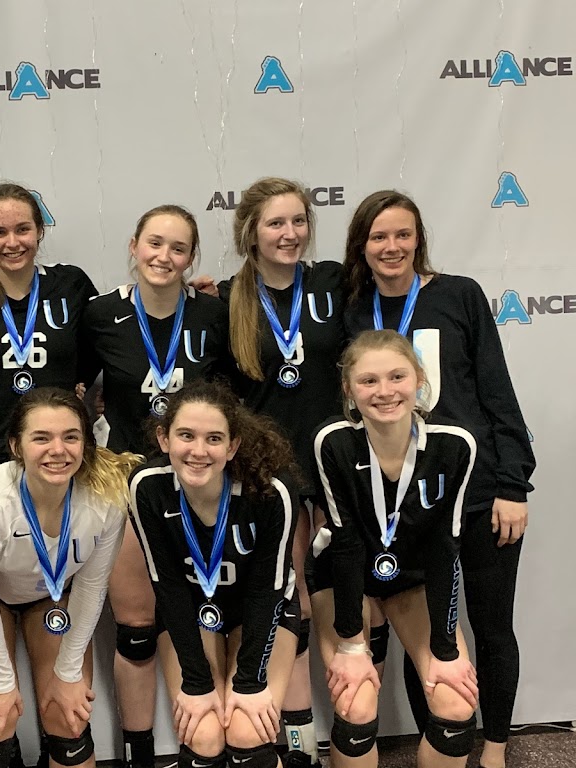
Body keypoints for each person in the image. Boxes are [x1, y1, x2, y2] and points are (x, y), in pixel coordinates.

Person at [341, 191, 534, 768]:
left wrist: (513, 485)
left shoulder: (459, 295)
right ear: (361, 246)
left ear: (418, 239)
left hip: (479, 495)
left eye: (403, 234)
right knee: (424, 634)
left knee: (492, 628)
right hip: (408, 503)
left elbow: (496, 390)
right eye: (379, 236)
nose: (392, 246)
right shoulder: (353, 309)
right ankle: (440, 745)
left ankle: (495, 749)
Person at [79, 204, 231, 768]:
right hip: (127, 482)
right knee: (137, 629)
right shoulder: (100, 314)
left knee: (205, 611)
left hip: (199, 480)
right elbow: (73, 391)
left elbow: (232, 397)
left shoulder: (213, 314)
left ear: (192, 258)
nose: (164, 256)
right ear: (134, 245)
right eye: (155, 243)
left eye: (179, 248)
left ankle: (208, 744)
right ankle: (139, 754)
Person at [215, 178, 345, 768]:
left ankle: (353, 730)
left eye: (298, 221)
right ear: (250, 232)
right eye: (275, 223)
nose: (289, 234)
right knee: (290, 602)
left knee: (347, 603)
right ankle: (298, 743)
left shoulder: (334, 283)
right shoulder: (225, 301)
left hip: (334, 467)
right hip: (270, 477)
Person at [310, 330, 479, 767]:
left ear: (419, 378)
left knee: (456, 704)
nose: (384, 391)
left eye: (397, 376)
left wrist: (445, 651)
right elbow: (346, 544)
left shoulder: (454, 444)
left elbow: (445, 548)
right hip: (344, 576)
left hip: (411, 579)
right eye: (368, 381)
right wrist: (352, 648)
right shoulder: (333, 442)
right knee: (356, 707)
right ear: (348, 389)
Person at [0, 387, 141, 768]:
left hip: (51, 594)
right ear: (16, 446)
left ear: (86, 443)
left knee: (68, 720)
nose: (58, 450)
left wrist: (68, 673)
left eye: (71, 437)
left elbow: (91, 586)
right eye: (41, 438)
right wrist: (1, 684)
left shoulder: (107, 498)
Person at [128, 380, 299, 768]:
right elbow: (167, 586)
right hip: (190, 611)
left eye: (214, 438)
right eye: (186, 435)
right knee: (204, 734)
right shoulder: (146, 487)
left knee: (247, 732)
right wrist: (197, 684)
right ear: (164, 438)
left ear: (233, 446)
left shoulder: (271, 490)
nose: (199, 451)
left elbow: (267, 590)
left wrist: (249, 683)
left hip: (259, 611)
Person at [0, 182, 98, 479]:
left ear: (39, 230)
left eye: (22, 229)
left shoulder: (71, 285)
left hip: (61, 456)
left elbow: (100, 344)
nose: (13, 242)